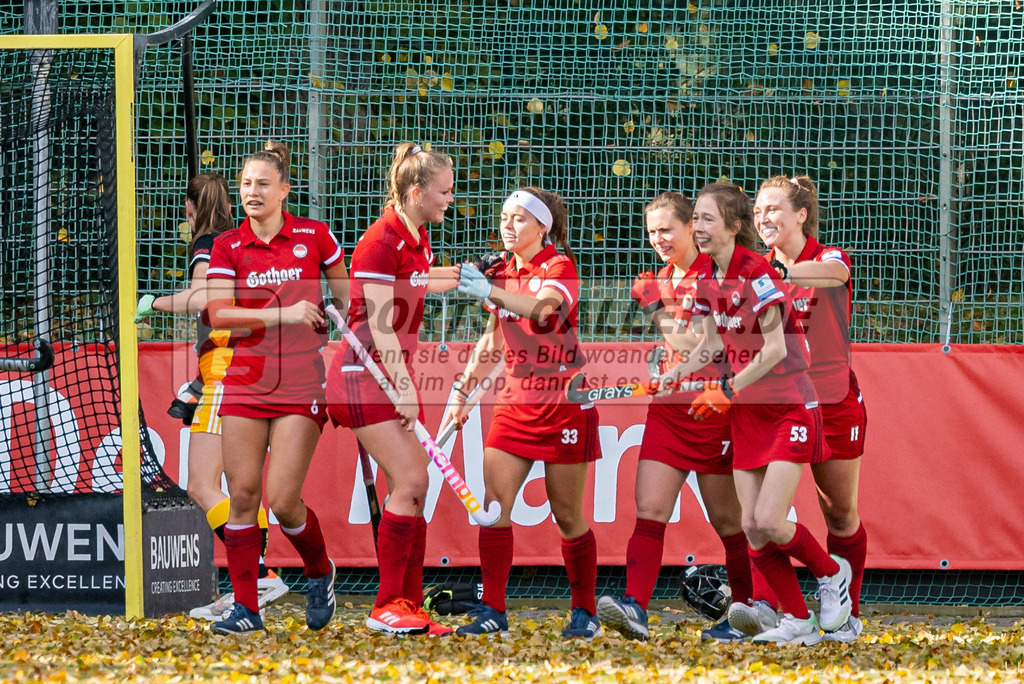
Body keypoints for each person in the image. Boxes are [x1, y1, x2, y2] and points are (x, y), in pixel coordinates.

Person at [656, 181, 852, 645]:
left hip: (788, 405)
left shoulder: (757, 272)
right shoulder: (707, 279)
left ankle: (830, 574)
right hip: (748, 410)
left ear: (733, 226)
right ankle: (799, 620)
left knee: (769, 519)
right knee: (750, 527)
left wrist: (726, 388)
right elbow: (710, 345)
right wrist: (677, 372)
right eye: (696, 219)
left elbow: (775, 348)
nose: (697, 228)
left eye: (706, 219)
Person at [204, 141, 349, 636]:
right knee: (242, 495)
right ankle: (247, 609)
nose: (252, 192)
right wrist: (283, 312)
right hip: (245, 379)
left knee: (283, 501)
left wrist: (351, 321)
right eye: (245, 184)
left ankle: (319, 570)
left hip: (301, 381)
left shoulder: (315, 235)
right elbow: (219, 315)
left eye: (263, 184)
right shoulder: (228, 245)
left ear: (285, 189)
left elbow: (349, 300)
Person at [596, 192, 754, 643]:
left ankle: (745, 611)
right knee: (649, 509)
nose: (658, 239)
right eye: (651, 231)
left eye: (667, 229)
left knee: (729, 523)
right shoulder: (662, 277)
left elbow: (707, 346)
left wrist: (656, 311)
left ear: (691, 228)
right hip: (668, 412)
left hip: (713, 411)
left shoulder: (714, 272)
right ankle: (635, 607)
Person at [447, 187, 603, 640]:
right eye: (504, 217)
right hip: (515, 399)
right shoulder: (500, 270)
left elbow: (542, 310)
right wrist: (461, 389)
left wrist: (492, 289)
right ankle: (492, 609)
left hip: (562, 400)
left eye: (518, 218)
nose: (507, 225)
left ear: (542, 227)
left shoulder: (560, 267)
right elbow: (494, 341)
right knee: (493, 507)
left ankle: (584, 610)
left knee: (567, 516)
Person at [134, 173, 289, 620]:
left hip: (226, 371)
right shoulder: (239, 239)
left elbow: (204, 296)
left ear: (191, 206)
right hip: (244, 370)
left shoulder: (209, 244)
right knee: (240, 487)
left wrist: (153, 302)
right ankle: (256, 579)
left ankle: (259, 575)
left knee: (203, 484)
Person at [326, 142, 458, 637]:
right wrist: (404, 387)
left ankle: (408, 603)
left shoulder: (416, 235)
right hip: (365, 377)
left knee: (412, 488)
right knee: (413, 482)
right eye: (444, 191)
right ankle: (386, 605)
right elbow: (381, 326)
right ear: (417, 191)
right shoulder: (380, 241)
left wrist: (473, 277)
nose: (450, 198)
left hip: (388, 376)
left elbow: (421, 282)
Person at [743, 175, 868, 642]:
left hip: (833, 403)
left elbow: (837, 275)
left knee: (839, 513)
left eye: (773, 209)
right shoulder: (755, 268)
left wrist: (773, 276)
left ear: (800, 215)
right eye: (758, 211)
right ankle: (769, 609)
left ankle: (847, 615)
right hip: (778, 404)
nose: (763, 218)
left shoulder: (825, 258)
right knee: (759, 514)